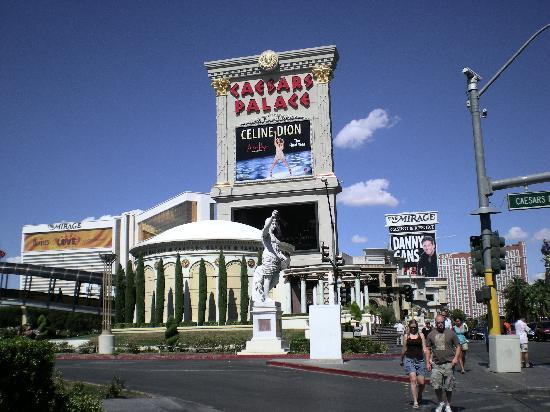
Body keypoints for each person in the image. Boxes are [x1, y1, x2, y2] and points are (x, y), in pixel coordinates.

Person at [252, 210, 290, 303]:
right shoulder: (266, 235)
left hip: (276, 261)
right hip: (268, 258)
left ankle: (263, 293)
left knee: (276, 280)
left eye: (274, 223)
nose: (274, 225)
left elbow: (277, 250)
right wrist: (272, 217)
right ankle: (265, 297)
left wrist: (284, 258)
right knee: (267, 278)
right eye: (272, 224)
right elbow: (265, 228)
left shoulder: (274, 237)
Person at [426, 314, 461, 412]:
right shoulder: (431, 334)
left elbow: (458, 346)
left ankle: (448, 405)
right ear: (435, 323)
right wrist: (428, 363)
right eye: (438, 323)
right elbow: (428, 349)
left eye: (442, 322)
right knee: (436, 386)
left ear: (444, 322)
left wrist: (455, 358)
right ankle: (441, 402)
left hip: (449, 364)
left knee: (448, 387)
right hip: (436, 364)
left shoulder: (451, 333)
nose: (440, 324)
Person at [400, 319, 428, 408]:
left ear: (417, 327)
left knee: (422, 382)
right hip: (409, 359)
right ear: (409, 327)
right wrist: (401, 359)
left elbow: (424, 348)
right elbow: (404, 349)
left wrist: (428, 359)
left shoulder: (421, 335)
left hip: (420, 360)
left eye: (414, 327)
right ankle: (415, 401)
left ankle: (419, 394)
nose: (413, 329)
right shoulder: (406, 336)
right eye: (411, 327)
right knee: (413, 379)